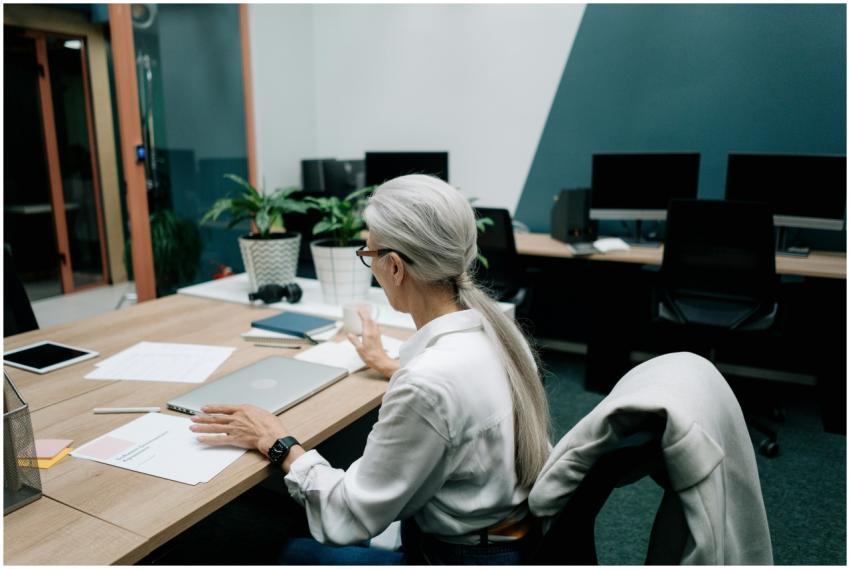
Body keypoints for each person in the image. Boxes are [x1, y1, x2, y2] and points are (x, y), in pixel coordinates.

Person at [190, 174, 551, 564]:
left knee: (291, 552)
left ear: (395, 267)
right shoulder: (497, 333)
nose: (368, 261)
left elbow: (347, 516)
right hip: (508, 536)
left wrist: (278, 442)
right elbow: (458, 401)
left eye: (369, 252)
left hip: (452, 555)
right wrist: (393, 366)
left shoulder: (428, 382)